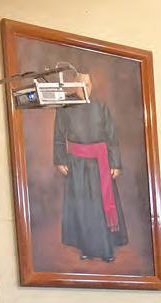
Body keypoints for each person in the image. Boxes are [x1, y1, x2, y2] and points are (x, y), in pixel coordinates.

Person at [53, 98, 128, 262]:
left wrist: (115, 163)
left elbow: (111, 136)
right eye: (82, 85)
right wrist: (60, 159)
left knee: (100, 204)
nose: (85, 87)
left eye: (88, 85)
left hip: (101, 163)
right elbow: (59, 135)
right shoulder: (64, 107)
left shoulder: (101, 105)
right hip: (77, 164)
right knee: (82, 206)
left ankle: (106, 249)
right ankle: (86, 247)